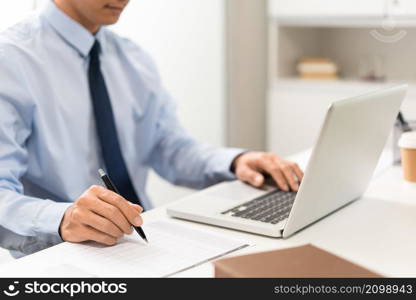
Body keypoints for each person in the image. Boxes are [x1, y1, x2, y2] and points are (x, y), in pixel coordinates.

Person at [0, 0, 303, 257]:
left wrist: (235, 161)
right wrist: (61, 218)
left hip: (144, 243)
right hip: (60, 258)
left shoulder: (131, 58)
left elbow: (169, 148)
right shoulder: (10, 59)